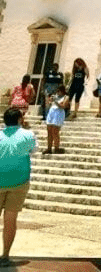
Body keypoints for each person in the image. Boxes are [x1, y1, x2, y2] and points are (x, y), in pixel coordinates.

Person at [0, 107, 37, 266]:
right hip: (19, 181)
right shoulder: (28, 135)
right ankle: (5, 256)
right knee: (10, 220)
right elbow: (33, 151)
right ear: (20, 119)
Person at [44, 85, 67, 155]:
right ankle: (49, 148)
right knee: (49, 131)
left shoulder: (66, 97)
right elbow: (48, 104)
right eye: (57, 91)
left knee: (55, 131)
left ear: (62, 91)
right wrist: (49, 99)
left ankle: (56, 148)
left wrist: (56, 101)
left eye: (59, 91)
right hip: (52, 113)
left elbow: (63, 106)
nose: (57, 92)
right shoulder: (55, 96)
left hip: (59, 113)